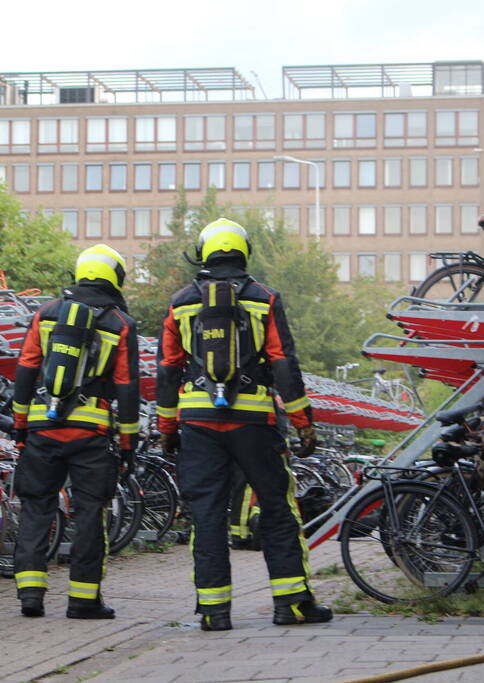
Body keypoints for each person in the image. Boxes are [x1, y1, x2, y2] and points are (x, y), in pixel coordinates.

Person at [155, 217, 330, 631]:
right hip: (254, 421)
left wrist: (167, 428)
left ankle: (214, 612)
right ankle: (291, 604)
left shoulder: (180, 302)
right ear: (243, 252)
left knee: (207, 515)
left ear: (204, 253)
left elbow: (167, 369)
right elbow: (283, 363)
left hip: (198, 421)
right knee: (277, 508)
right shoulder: (264, 298)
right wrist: (303, 421)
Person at [10, 244, 140, 620]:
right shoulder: (120, 323)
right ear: (115, 276)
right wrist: (128, 444)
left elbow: (25, 369)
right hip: (90, 433)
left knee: (37, 507)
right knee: (89, 513)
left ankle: (30, 594)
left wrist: (21, 426)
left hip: (42, 427)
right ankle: (83, 600)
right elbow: (127, 386)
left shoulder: (46, 313)